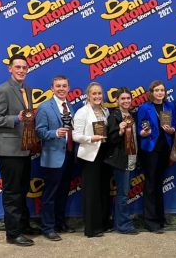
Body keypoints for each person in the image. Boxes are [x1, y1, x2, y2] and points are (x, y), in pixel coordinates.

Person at [0, 54, 40, 246]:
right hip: (8, 150)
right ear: (10, 68)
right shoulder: (2, 90)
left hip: (23, 148)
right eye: (17, 67)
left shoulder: (27, 89)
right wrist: (15, 119)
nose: (21, 70)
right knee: (12, 192)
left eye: (24, 67)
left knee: (22, 189)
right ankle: (13, 233)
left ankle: (23, 225)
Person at [35, 75, 75, 241]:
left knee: (63, 192)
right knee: (50, 194)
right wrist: (55, 133)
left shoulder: (69, 106)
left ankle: (60, 222)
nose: (61, 89)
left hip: (69, 154)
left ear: (68, 88)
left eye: (64, 86)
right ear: (52, 88)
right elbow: (39, 131)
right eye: (58, 86)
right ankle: (48, 227)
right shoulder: (45, 107)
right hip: (53, 157)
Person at [137, 80, 176, 233]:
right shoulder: (144, 108)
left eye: (162, 90)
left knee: (159, 183)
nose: (160, 93)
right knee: (150, 185)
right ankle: (150, 221)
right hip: (150, 150)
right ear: (151, 92)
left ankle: (160, 218)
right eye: (157, 90)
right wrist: (143, 133)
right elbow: (139, 129)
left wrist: (172, 130)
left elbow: (175, 127)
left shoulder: (170, 106)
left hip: (165, 150)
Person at [72, 82, 111, 238]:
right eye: (94, 94)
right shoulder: (82, 112)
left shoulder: (106, 111)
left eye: (99, 93)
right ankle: (91, 228)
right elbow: (75, 136)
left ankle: (102, 224)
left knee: (103, 190)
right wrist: (90, 138)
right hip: (90, 156)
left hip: (104, 155)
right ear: (88, 96)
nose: (97, 96)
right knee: (91, 192)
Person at [105, 87, 139, 235]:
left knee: (124, 192)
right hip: (120, 159)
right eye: (123, 98)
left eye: (128, 98)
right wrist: (119, 131)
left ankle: (120, 222)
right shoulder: (114, 116)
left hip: (132, 157)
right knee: (123, 194)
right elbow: (110, 139)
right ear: (117, 100)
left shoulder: (132, 115)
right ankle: (123, 225)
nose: (126, 101)